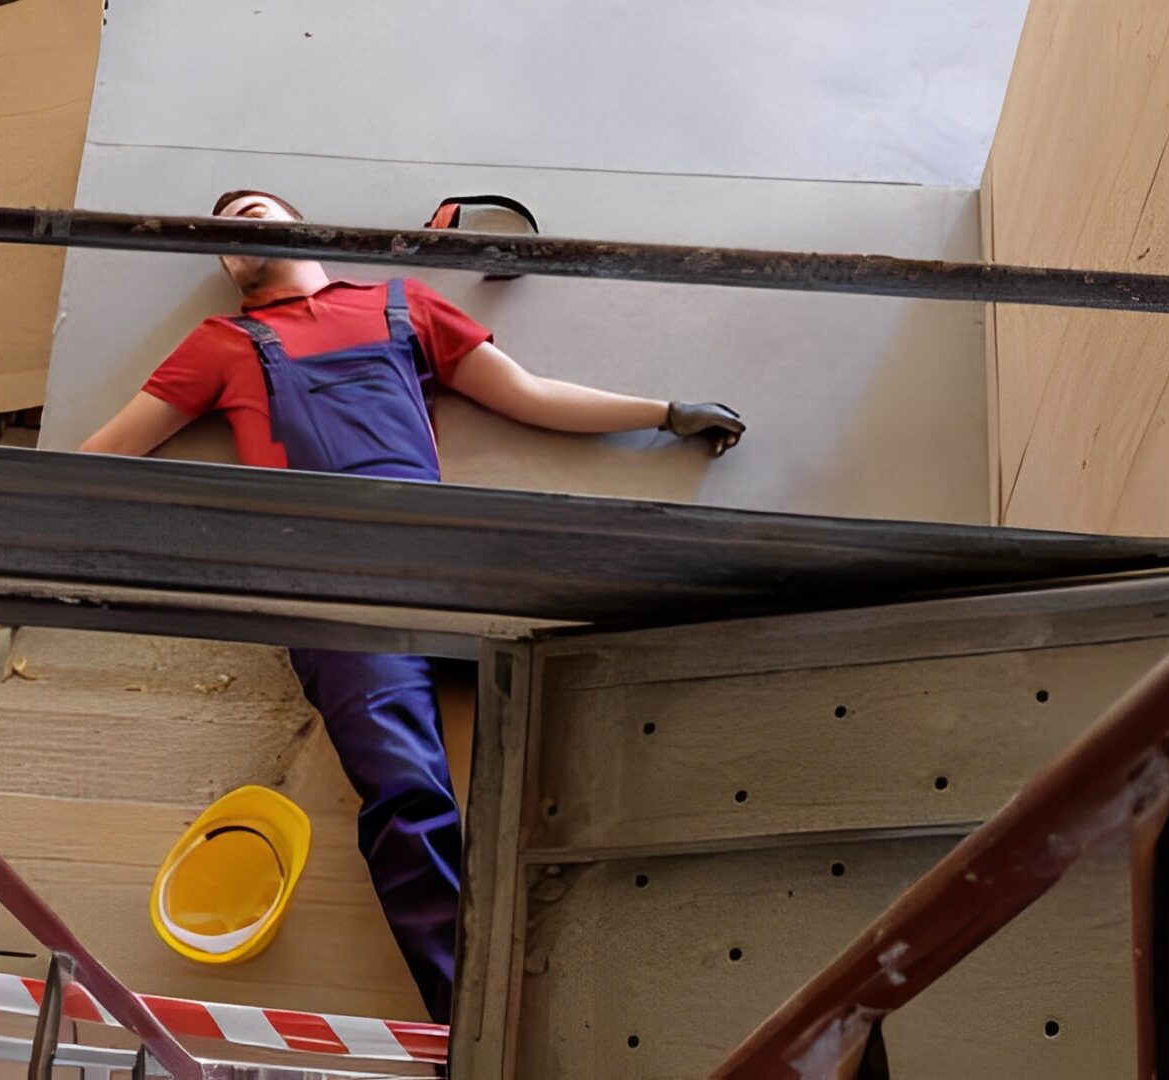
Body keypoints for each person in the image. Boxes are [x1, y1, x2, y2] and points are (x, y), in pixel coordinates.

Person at [80, 190, 745, 1023]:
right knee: (406, 795)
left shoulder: (400, 303)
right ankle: (475, 1026)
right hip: (330, 589)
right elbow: (101, 461)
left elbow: (529, 396)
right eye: (222, 231)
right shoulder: (222, 344)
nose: (237, 230)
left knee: (601, 727)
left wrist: (664, 414)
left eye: (253, 209)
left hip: (448, 561)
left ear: (303, 223)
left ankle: (632, 977)